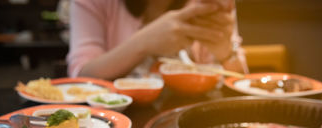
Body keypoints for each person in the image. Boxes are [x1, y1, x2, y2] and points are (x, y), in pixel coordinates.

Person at [66, 0, 248, 80]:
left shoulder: (211, 3)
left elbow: (242, 78)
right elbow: (82, 74)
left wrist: (226, 53)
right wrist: (142, 43)